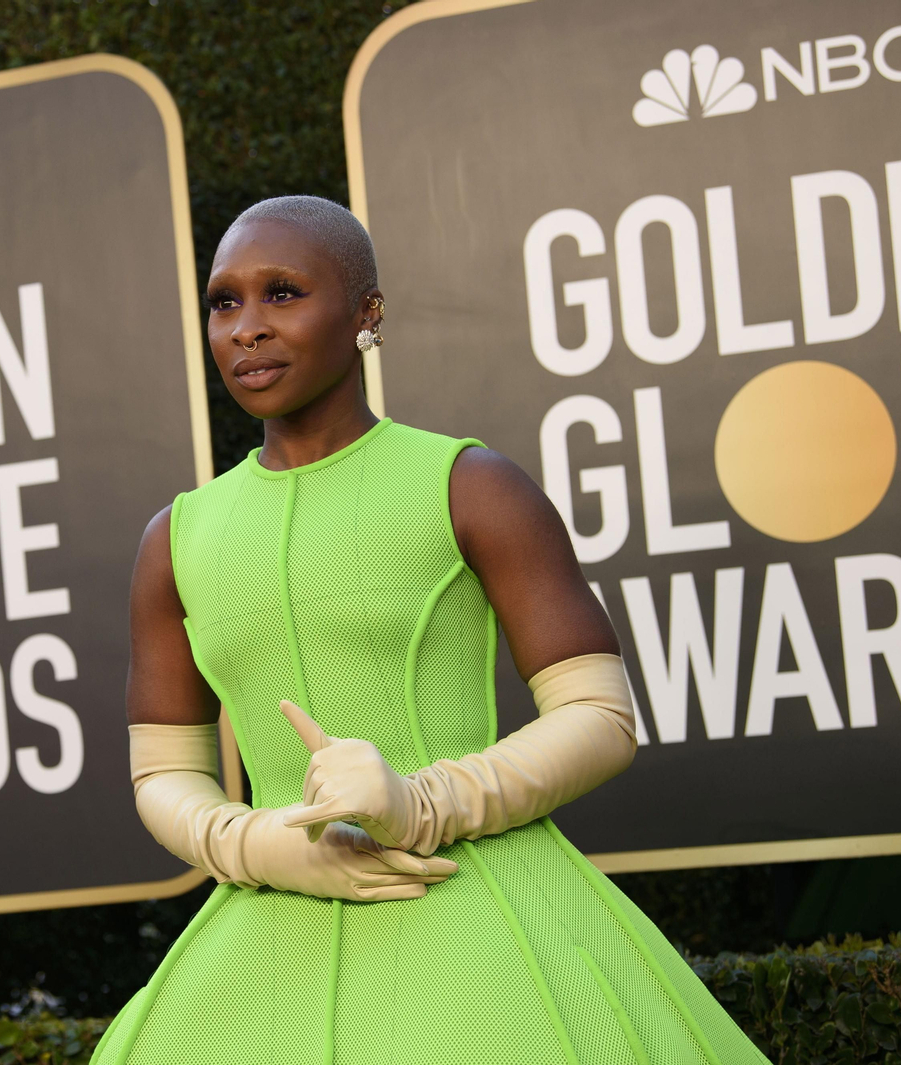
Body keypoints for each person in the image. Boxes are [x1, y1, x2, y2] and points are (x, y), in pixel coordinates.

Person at [91, 196, 766, 1065]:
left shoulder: (471, 484)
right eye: (225, 302)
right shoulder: (175, 538)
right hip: (263, 945)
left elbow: (601, 717)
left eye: (284, 293)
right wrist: (253, 841)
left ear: (367, 313)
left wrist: (423, 801)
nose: (247, 328)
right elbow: (162, 772)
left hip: (479, 913)